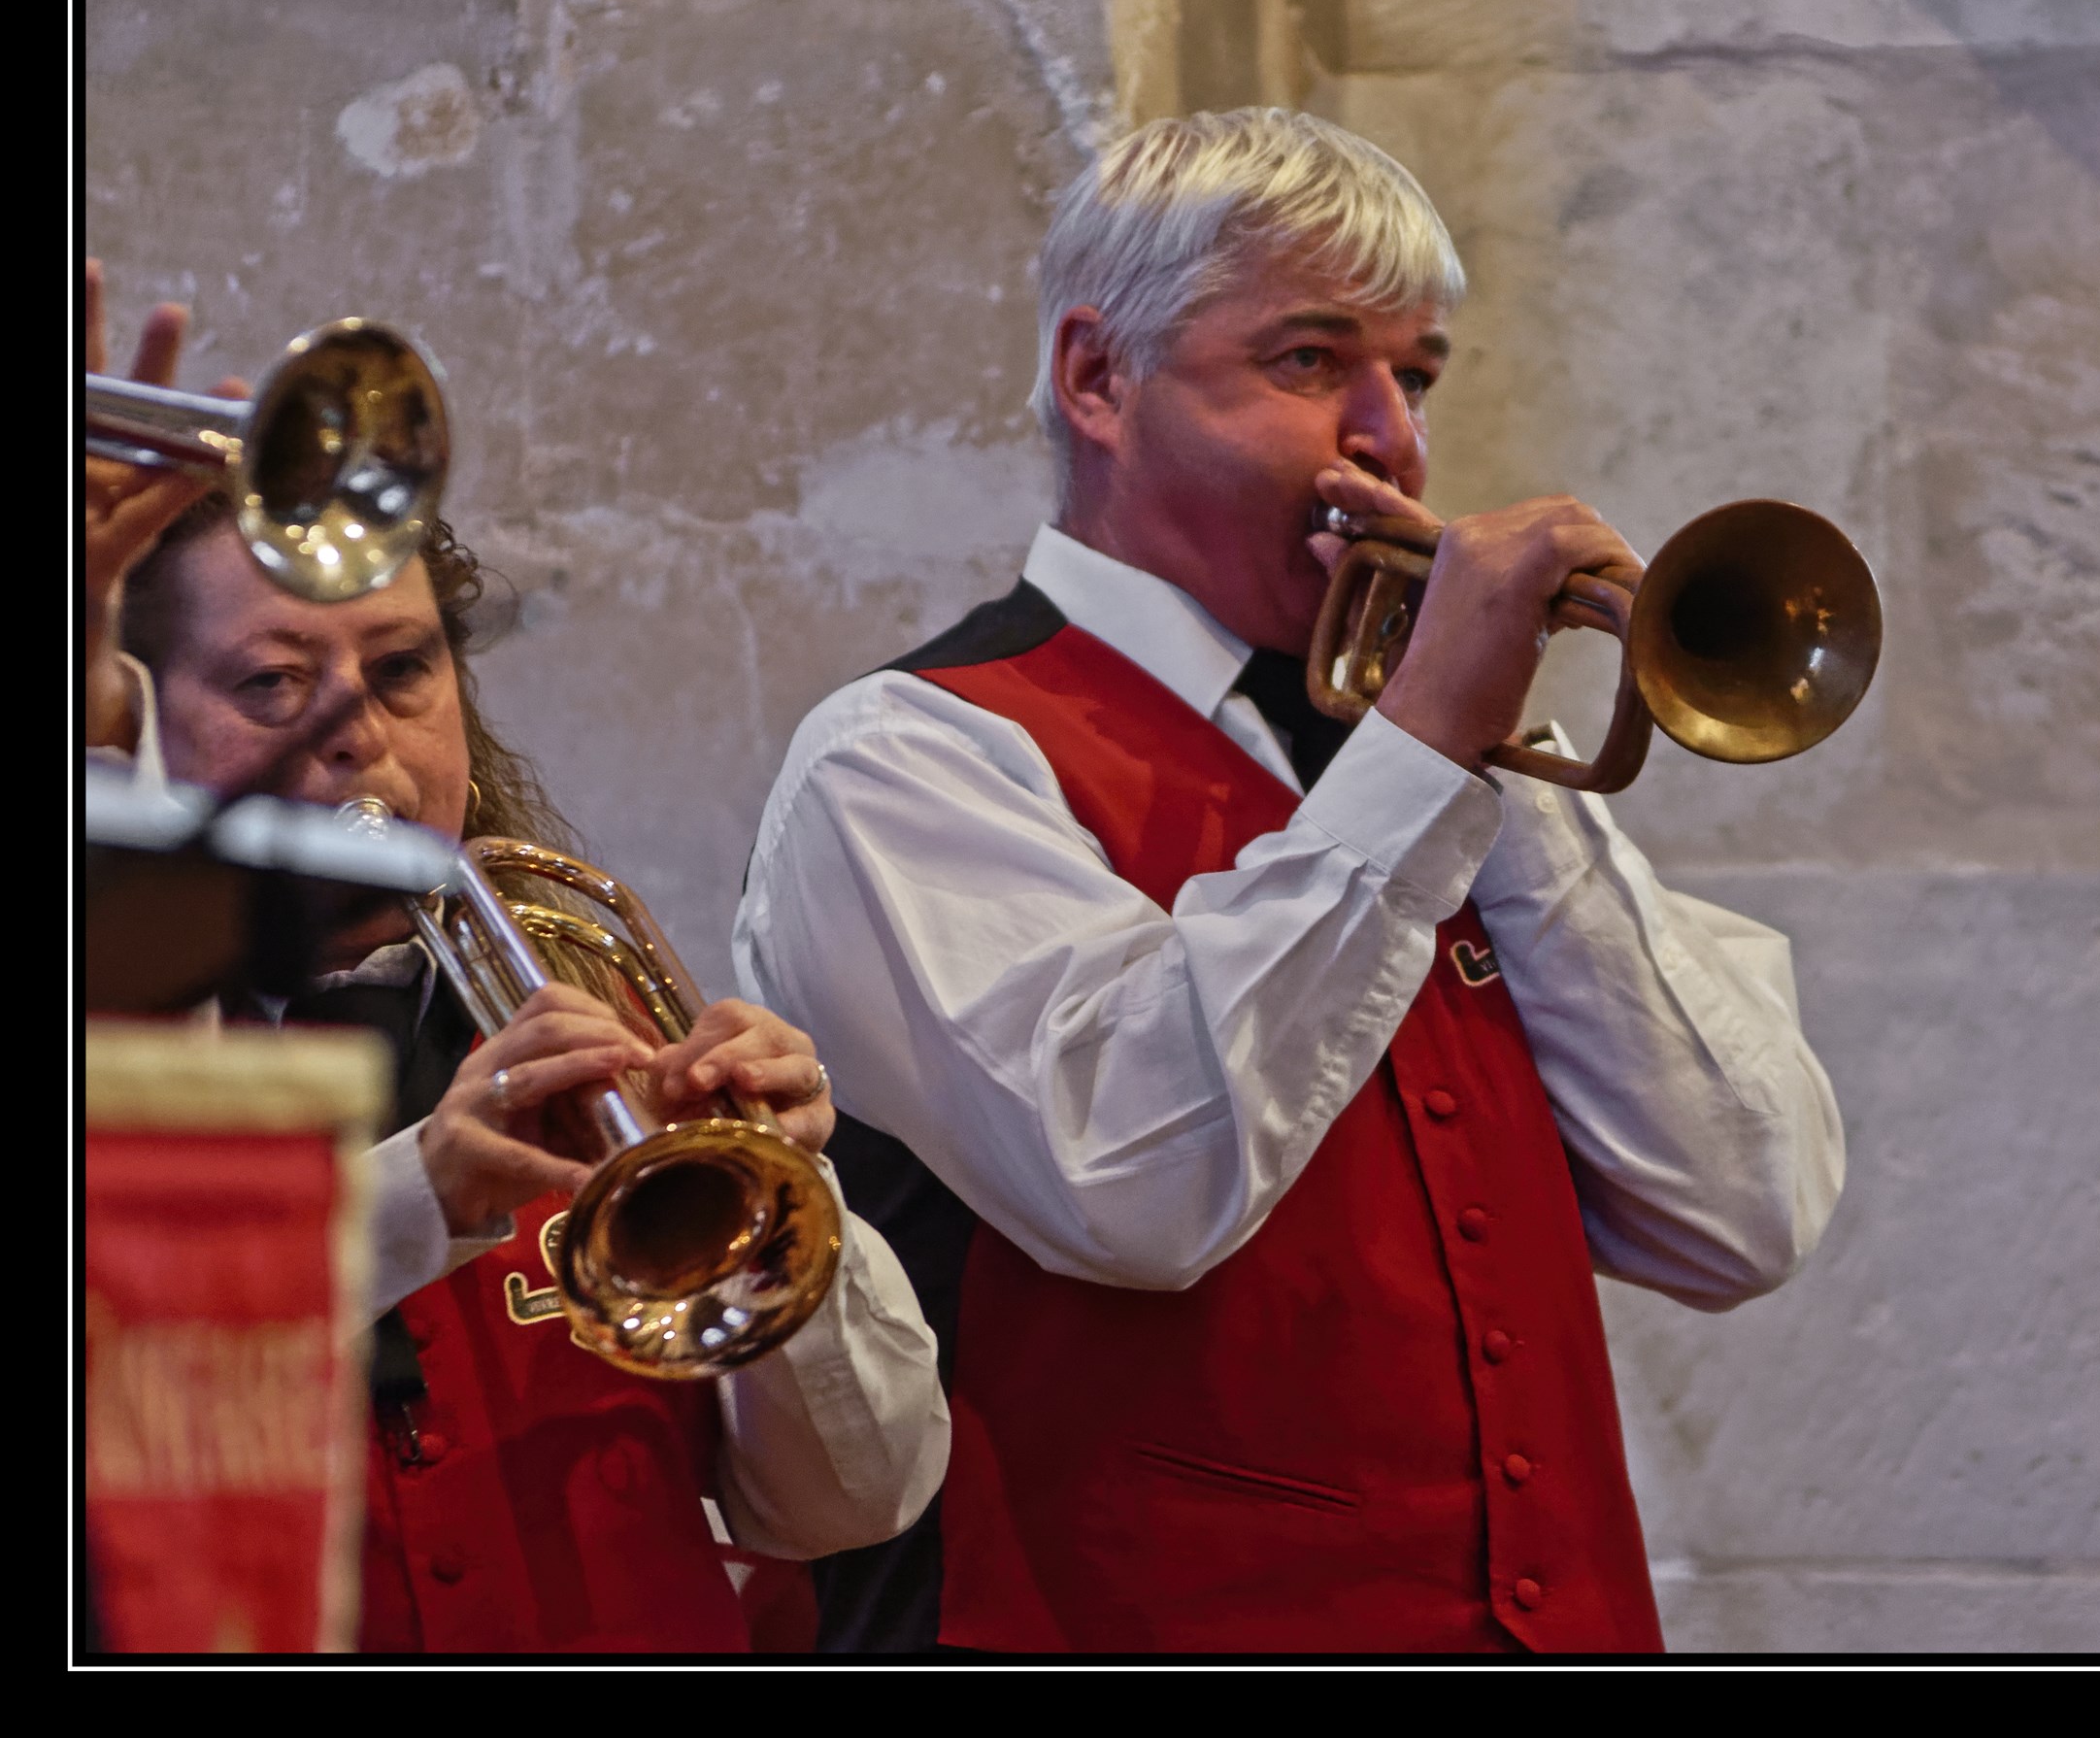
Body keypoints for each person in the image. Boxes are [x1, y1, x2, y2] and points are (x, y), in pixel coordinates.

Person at [735, 110, 1845, 1654]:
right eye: (1310, 361)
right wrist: (1428, 745)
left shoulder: (1427, 773)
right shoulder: (913, 757)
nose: (1388, 437)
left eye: (1418, 375)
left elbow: (1738, 1214)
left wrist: (1498, 765)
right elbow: (1136, 1184)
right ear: (1098, 379)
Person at [83, 261, 950, 1653]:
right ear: (135, 724)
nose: (360, 731)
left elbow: (852, 1499)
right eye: (272, 683)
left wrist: (781, 1211)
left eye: (402, 670)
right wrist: (420, 1192)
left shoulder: (593, 1005)